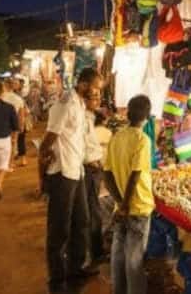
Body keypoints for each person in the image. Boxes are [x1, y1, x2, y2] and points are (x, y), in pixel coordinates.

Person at [39, 68, 102, 294]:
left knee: (82, 223)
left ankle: (75, 268)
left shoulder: (80, 104)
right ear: (84, 84)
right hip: (62, 173)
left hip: (76, 172)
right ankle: (56, 280)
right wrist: (44, 155)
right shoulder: (65, 103)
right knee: (59, 229)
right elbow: (50, 135)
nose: (97, 93)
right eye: (95, 88)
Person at [104, 95, 154, 294]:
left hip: (121, 207)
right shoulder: (142, 140)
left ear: (128, 113)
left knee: (118, 256)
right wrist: (125, 204)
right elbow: (135, 175)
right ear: (147, 116)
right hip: (138, 206)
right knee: (134, 261)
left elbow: (107, 173)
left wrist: (118, 202)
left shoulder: (116, 138)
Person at [84, 88, 106, 263]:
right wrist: (92, 161)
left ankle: (94, 250)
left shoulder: (89, 118)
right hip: (89, 169)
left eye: (99, 97)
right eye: (94, 97)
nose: (98, 101)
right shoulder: (83, 118)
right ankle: (95, 252)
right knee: (93, 211)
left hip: (93, 168)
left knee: (93, 210)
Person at [3, 79, 27, 167]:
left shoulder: (1, 97)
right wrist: (21, 125)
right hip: (14, 124)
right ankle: (11, 163)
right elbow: (21, 114)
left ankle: (4, 163)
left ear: (5, 86)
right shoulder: (18, 98)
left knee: (3, 144)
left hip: (2, 124)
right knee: (13, 144)